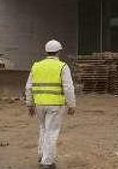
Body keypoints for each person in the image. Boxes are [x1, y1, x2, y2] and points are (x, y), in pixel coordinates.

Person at [25, 39, 76, 169]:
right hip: (55, 105)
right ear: (59, 52)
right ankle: (47, 162)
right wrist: (71, 105)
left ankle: (42, 154)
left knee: (43, 129)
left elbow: (28, 87)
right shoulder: (62, 66)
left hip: (39, 104)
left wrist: (30, 104)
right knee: (52, 132)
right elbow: (68, 87)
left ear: (46, 51)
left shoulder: (36, 65)